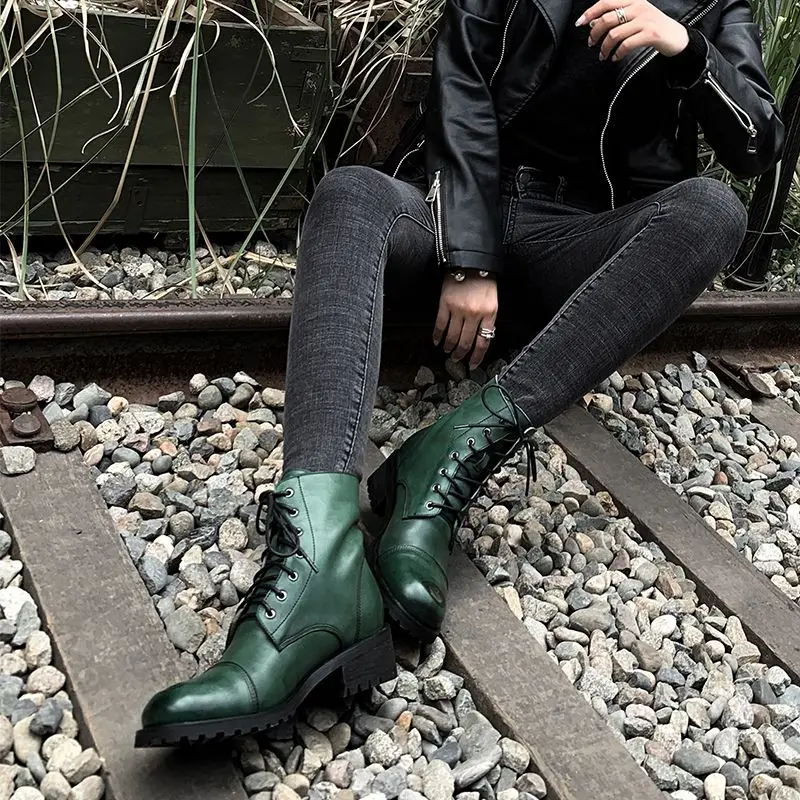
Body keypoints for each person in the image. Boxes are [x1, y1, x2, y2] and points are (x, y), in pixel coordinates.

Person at [135, 0, 784, 747]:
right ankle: (316, 561)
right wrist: (470, 256)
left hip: (580, 238)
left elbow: (757, 142)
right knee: (351, 194)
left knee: (713, 210)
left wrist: (686, 47)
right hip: (453, 210)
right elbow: (463, 90)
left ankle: (450, 455)